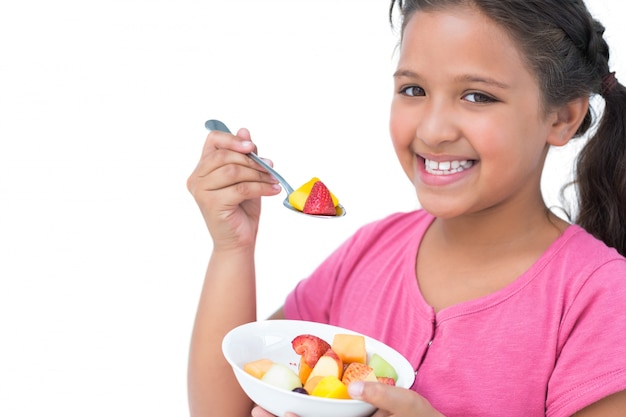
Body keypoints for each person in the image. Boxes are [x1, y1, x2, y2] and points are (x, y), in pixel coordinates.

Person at [186, 0, 626, 416]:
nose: (432, 131)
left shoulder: (600, 297)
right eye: (413, 89)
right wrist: (233, 248)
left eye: (477, 96)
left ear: (562, 118)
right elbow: (232, 406)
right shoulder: (368, 253)